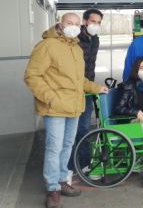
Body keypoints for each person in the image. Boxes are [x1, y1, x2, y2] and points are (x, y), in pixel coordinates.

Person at [24, 13, 108, 208]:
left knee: (67, 145)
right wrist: (50, 98)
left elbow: (79, 80)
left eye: (77, 24)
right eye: (70, 23)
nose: (74, 27)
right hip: (55, 108)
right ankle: (53, 189)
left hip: (74, 106)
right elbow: (32, 76)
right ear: (60, 24)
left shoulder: (76, 48)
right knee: (54, 148)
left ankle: (62, 181)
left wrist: (96, 87)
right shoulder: (46, 46)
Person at [66, 9, 103, 183]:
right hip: (71, 91)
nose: (95, 25)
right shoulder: (73, 39)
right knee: (70, 131)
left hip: (87, 90)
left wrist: (94, 87)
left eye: (98, 22)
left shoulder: (95, 40)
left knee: (84, 129)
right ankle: (68, 168)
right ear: (85, 21)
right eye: (93, 21)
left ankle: (85, 164)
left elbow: (90, 67)